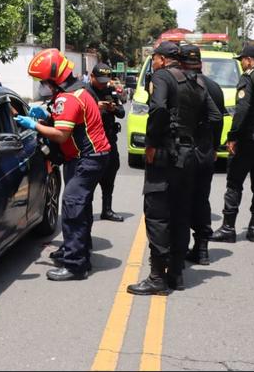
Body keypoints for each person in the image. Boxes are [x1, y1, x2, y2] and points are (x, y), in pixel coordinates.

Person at [127, 42, 222, 295]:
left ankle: (157, 277)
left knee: (158, 214)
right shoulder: (198, 82)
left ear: (161, 58)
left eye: (154, 58)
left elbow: (157, 108)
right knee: (181, 214)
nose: (154, 62)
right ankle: (176, 274)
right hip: (189, 156)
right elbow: (215, 117)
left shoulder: (162, 76)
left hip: (165, 155)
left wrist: (152, 143)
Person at [16, 48, 111, 282]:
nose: (42, 85)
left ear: (53, 79)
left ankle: (76, 265)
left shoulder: (68, 98)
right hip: (89, 157)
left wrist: (34, 125)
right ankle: (76, 248)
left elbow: (61, 135)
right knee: (81, 206)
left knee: (72, 208)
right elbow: (66, 124)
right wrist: (45, 118)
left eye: (43, 81)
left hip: (87, 159)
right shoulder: (77, 90)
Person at [211, 44, 254, 244]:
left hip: (247, 138)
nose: (241, 63)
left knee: (234, 183)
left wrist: (232, 136)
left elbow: (242, 109)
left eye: (242, 60)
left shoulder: (249, 77)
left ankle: (228, 228)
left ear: (249, 60)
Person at [178, 44, 225, 266]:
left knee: (181, 200)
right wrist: (215, 147)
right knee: (201, 199)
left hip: (184, 150)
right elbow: (219, 121)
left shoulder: (178, 85)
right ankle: (202, 249)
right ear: (200, 64)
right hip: (206, 150)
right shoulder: (215, 87)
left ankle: (180, 248)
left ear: (180, 63)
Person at [87, 62, 126, 222]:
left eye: (106, 80)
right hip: (91, 142)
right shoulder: (85, 92)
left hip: (110, 139)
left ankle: (107, 210)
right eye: (100, 80)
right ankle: (85, 212)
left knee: (110, 174)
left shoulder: (110, 91)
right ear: (91, 77)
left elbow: (122, 113)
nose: (103, 84)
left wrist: (112, 109)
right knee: (89, 180)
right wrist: (96, 107)